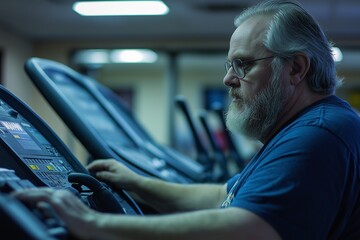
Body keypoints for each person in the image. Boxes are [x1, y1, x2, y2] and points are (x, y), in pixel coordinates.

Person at [13, 0, 360, 239]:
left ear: (296, 68)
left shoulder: (318, 134)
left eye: (244, 65)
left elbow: (247, 229)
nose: (228, 80)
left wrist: (94, 223)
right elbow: (222, 197)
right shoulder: (308, 126)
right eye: (230, 66)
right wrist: (137, 182)